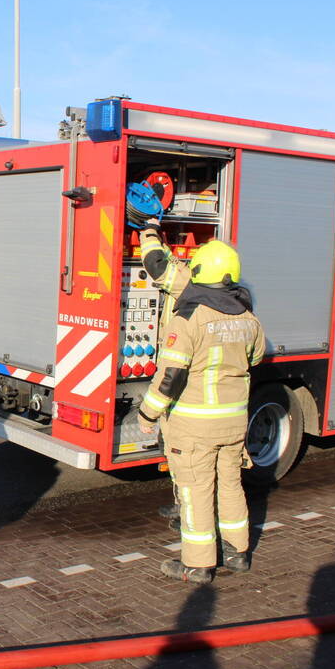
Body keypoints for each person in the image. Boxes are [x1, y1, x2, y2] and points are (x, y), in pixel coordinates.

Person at [137, 240, 265, 584]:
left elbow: (171, 377)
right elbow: (255, 359)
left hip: (195, 425)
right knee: (231, 486)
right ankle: (238, 553)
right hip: (234, 423)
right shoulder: (248, 318)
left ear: (198, 272)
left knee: (195, 492)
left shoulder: (190, 317)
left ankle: (197, 565)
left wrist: (147, 414)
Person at [139, 225, 192, 531]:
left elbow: (157, 265)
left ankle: (190, 519)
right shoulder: (230, 299)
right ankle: (184, 506)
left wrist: (149, 233)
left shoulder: (186, 283)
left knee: (186, 461)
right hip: (213, 402)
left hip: (187, 398)